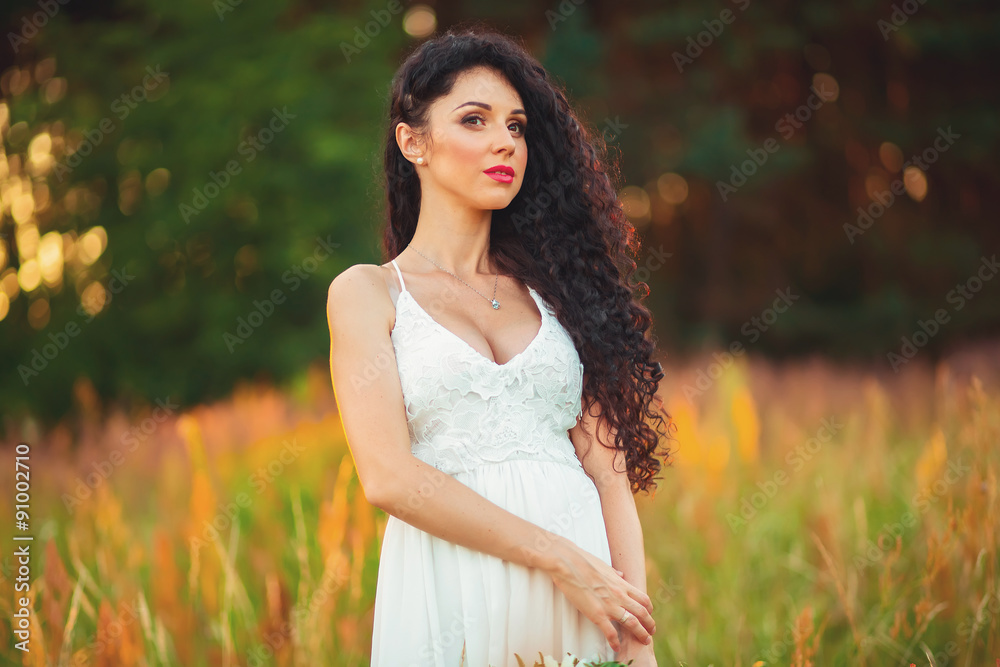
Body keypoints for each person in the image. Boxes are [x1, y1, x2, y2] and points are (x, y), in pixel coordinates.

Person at [327, 25, 672, 667]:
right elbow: (390, 478)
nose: (503, 142)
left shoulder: (560, 293)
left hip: (586, 604)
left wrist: (634, 636)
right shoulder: (368, 294)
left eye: (515, 126)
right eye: (475, 120)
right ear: (413, 141)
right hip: (451, 594)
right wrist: (560, 560)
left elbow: (607, 474)